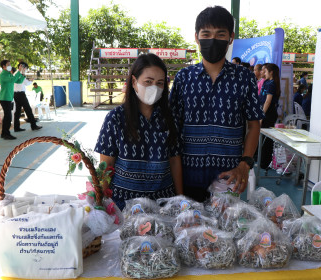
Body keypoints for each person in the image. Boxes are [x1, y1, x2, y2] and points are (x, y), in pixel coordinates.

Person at [169, 6, 264, 202]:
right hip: (187, 177)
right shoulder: (183, 78)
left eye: (220, 34)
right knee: (188, 231)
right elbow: (173, 129)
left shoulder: (245, 78)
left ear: (231, 37)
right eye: (206, 33)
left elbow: (254, 125)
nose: (213, 39)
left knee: (226, 231)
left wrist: (245, 164)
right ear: (196, 37)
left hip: (229, 179)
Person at [94, 53, 183, 210]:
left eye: (160, 83)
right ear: (134, 82)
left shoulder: (170, 119)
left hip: (162, 205)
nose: (154, 88)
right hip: (124, 206)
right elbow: (106, 165)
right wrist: (101, 204)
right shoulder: (115, 118)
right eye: (148, 82)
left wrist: (180, 198)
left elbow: (175, 160)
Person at [259, 63, 280, 169]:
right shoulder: (266, 82)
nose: (263, 73)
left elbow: (268, 101)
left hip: (268, 114)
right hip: (263, 112)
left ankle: (265, 163)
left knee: (267, 140)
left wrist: (262, 116)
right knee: (261, 138)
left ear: (271, 72)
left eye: (265, 71)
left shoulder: (272, 84)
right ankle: (260, 159)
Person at [0, 60, 25, 140]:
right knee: (8, 117)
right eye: (8, 64)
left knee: (7, 116)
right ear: (3, 66)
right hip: (4, 98)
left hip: (9, 97)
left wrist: (22, 73)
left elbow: (18, 81)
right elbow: (12, 80)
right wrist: (18, 71)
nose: (10, 66)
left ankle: (4, 133)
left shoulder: (8, 74)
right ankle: (6, 133)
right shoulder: (3, 74)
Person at [13, 62, 42, 132]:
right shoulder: (19, 74)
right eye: (25, 68)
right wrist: (31, 81)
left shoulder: (16, 73)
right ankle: (33, 125)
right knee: (28, 109)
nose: (26, 69)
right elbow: (26, 83)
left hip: (16, 94)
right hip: (20, 94)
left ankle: (16, 127)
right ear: (22, 67)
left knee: (18, 111)